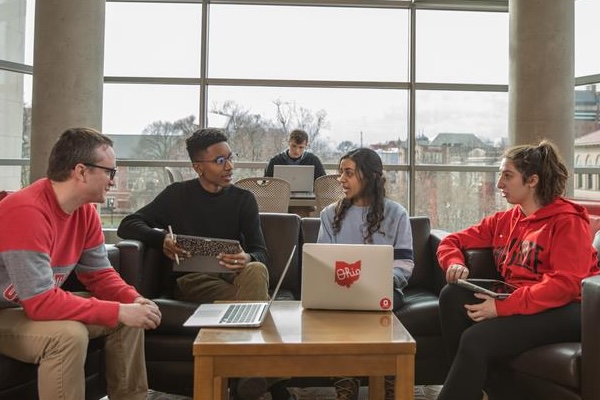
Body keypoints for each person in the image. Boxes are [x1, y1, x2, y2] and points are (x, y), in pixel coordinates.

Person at [117, 127, 288, 400]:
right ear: (199, 167)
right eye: (220, 161)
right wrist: (160, 239)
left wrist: (247, 258)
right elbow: (129, 224)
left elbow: (260, 252)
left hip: (234, 279)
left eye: (230, 157)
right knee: (260, 302)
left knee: (256, 270)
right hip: (192, 280)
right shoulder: (177, 195)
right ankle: (267, 379)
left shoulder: (244, 200)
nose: (230, 166)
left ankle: (250, 373)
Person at [0, 127, 162, 400]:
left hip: (28, 307)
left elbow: (100, 275)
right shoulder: (25, 211)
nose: (113, 180)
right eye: (109, 171)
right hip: (8, 311)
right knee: (68, 335)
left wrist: (134, 301)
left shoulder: (85, 212)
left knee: (131, 317)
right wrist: (118, 311)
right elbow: (40, 303)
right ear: (81, 171)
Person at [436, 140, 600, 400]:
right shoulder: (506, 220)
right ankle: (477, 387)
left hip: (569, 308)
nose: (500, 183)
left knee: (475, 339)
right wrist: (454, 262)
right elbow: (452, 240)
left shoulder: (568, 222)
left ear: (532, 180)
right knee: (451, 295)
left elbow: (565, 284)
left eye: (507, 175)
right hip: (522, 298)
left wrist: (501, 307)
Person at [317, 147, 414, 400]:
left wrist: (382, 281)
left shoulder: (397, 214)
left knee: (379, 303)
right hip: (341, 291)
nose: (341, 179)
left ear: (369, 177)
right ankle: (346, 384)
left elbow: (404, 264)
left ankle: (389, 380)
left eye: (348, 173)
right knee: (342, 307)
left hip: (385, 290)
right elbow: (322, 264)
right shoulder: (329, 215)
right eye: (340, 173)